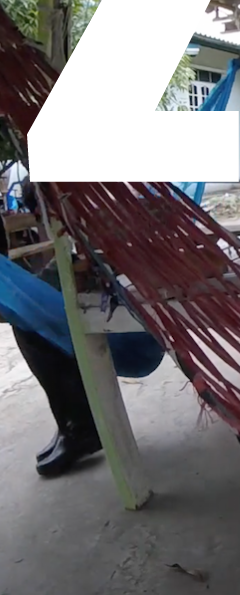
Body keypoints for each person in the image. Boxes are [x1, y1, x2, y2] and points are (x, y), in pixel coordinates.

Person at [1, 179, 103, 477]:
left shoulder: (97, 213)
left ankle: (79, 426)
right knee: (28, 316)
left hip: (122, 298)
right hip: (102, 279)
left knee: (35, 324)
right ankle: (72, 423)